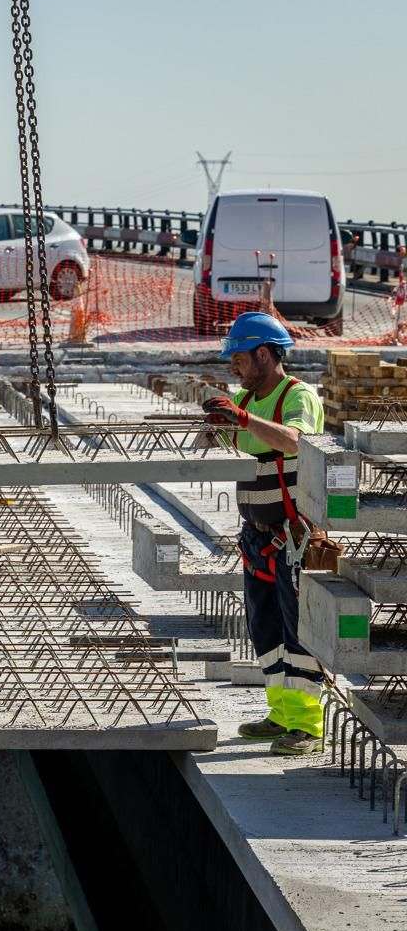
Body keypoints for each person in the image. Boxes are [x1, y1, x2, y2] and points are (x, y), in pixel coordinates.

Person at [203, 311, 327, 756]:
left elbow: (293, 442)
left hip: (291, 538)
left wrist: (238, 417)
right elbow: (241, 442)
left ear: (262, 353)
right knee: (266, 630)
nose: (232, 367)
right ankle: (281, 715)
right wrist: (221, 425)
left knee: (299, 635)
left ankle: (308, 726)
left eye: (237, 358)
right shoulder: (248, 399)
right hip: (256, 537)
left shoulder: (297, 397)